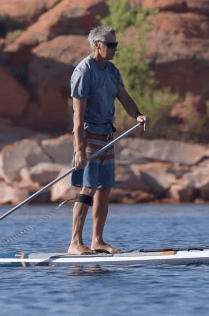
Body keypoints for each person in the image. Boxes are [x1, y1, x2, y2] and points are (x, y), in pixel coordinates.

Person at [68, 25, 149, 255]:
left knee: (105, 189)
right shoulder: (84, 71)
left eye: (116, 45)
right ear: (97, 45)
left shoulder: (112, 71)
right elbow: (78, 115)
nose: (115, 49)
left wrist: (138, 114)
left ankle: (97, 241)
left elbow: (123, 96)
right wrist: (79, 149)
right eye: (111, 45)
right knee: (88, 188)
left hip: (107, 137)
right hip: (88, 137)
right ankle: (75, 243)